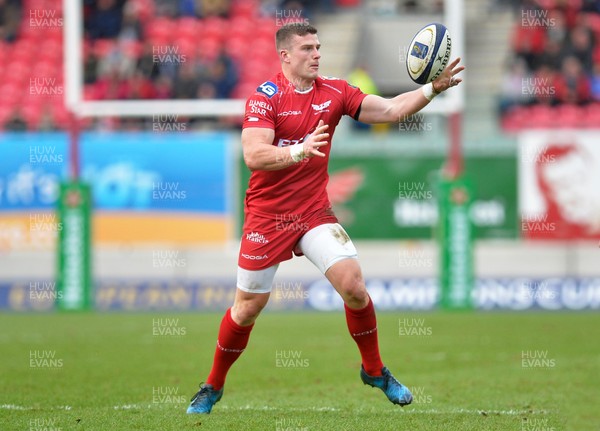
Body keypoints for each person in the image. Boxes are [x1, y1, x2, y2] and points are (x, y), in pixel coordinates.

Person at [187, 22, 464, 414]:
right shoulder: (265, 98)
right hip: (267, 216)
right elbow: (253, 154)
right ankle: (213, 386)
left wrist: (431, 90)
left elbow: (387, 109)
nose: (316, 54)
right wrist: (298, 151)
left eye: (318, 47)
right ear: (285, 55)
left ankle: (374, 370)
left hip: (313, 212)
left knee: (353, 285)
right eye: (306, 49)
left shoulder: (335, 91)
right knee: (247, 307)